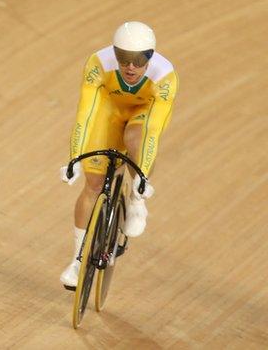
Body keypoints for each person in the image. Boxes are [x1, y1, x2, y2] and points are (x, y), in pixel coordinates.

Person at [58, 21, 178, 289]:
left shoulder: (164, 76)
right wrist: (74, 157)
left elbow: (153, 129)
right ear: (115, 54)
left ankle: (136, 201)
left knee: (135, 137)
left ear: (151, 57)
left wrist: (142, 178)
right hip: (109, 113)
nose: (130, 66)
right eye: (123, 58)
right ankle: (78, 262)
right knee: (93, 185)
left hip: (142, 116)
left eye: (138, 59)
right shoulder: (98, 64)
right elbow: (85, 115)